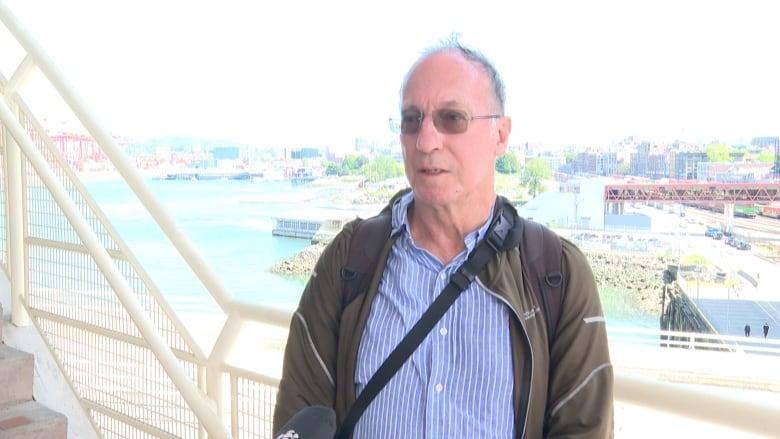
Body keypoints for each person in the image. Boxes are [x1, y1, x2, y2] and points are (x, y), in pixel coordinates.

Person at [274, 36, 614, 438]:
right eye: (411, 120)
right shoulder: (352, 259)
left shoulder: (555, 272)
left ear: (501, 136)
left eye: (452, 119)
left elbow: (583, 427)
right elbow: (302, 410)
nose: (426, 141)